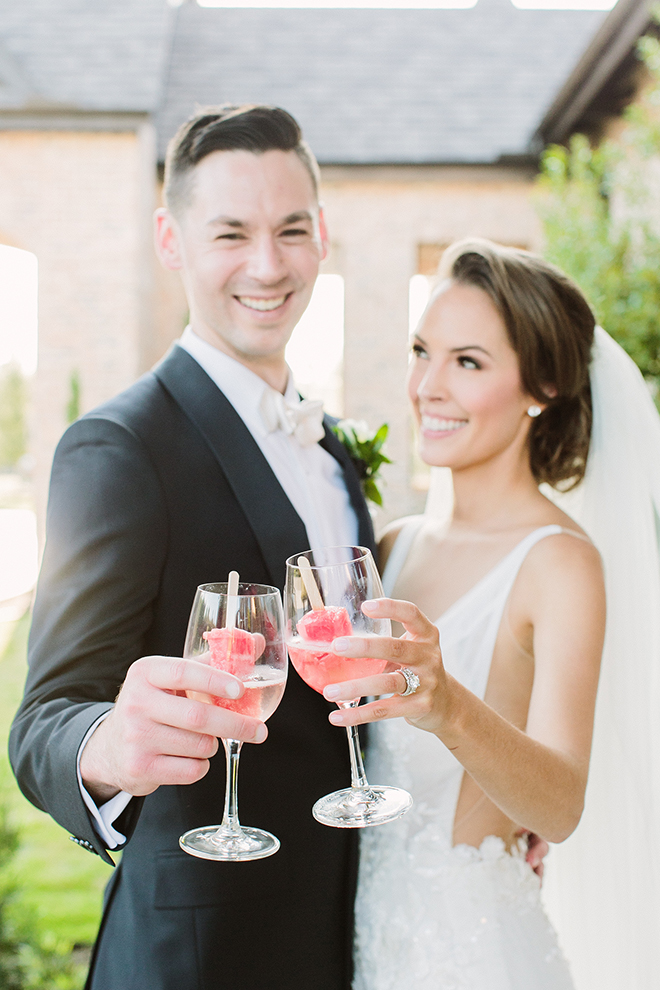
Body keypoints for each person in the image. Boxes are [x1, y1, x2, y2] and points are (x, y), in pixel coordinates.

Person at [9, 105, 376, 990]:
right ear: (171, 240)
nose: (267, 264)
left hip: (351, 931)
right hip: (203, 954)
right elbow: (43, 721)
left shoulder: (332, 448)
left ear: (321, 235)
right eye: (231, 233)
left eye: (292, 229)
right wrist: (108, 743)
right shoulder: (119, 447)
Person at [322, 240, 613, 990]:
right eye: (424, 351)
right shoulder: (394, 545)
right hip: (365, 938)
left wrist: (449, 705)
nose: (428, 386)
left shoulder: (559, 563)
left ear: (541, 387)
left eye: (469, 362)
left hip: (473, 954)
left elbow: (561, 802)